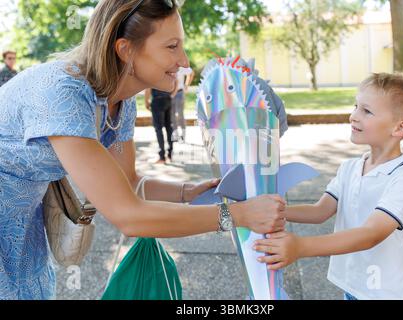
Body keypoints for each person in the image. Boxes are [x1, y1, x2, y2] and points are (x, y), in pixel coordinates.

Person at [0, 0, 286, 300]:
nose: (184, 60)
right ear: (125, 50)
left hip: (20, 229)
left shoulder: (121, 102)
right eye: (172, 46)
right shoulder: (64, 96)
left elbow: (129, 183)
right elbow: (128, 216)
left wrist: (188, 191)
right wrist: (236, 215)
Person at [254, 73, 403, 300]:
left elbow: (370, 234)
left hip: (386, 293)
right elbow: (320, 211)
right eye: (356, 106)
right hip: (353, 286)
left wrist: (300, 246)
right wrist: (273, 209)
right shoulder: (350, 167)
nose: (353, 116)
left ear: (399, 128)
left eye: (366, 111)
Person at [145, 87, 173, 164]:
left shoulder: (152, 74)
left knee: (158, 128)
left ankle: (162, 157)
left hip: (157, 100)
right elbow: (176, 81)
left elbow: (148, 88)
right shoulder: (167, 73)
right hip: (168, 99)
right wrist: (171, 95)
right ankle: (170, 155)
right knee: (169, 127)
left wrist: (146, 101)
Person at [171, 66, 193, 143]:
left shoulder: (181, 67)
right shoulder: (168, 65)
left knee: (180, 114)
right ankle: (175, 134)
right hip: (169, 94)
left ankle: (183, 134)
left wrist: (186, 85)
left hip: (179, 93)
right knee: (172, 115)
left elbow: (191, 73)